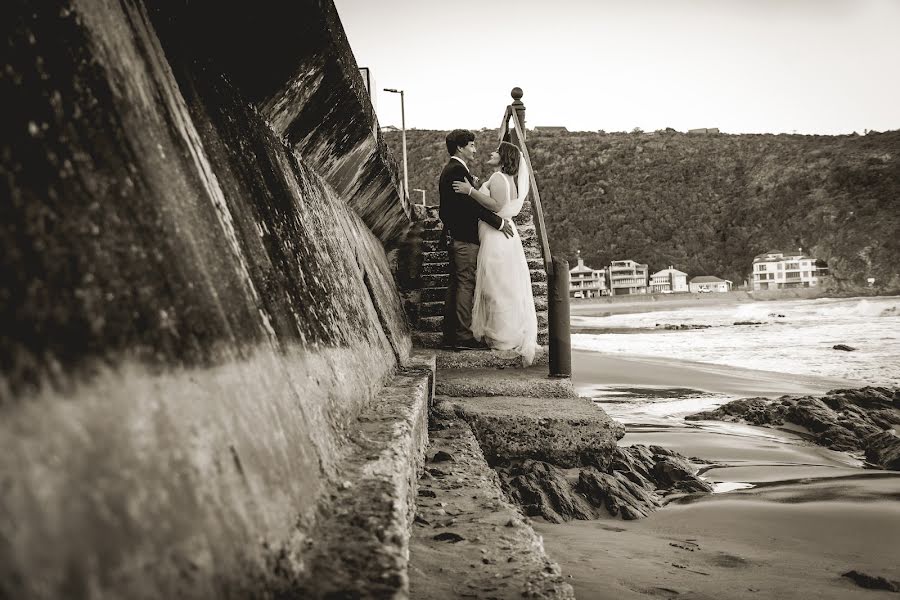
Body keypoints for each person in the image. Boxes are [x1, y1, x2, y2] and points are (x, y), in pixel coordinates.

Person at [452, 141, 539, 365]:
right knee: (501, 286)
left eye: (496, 151)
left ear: (504, 157)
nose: (491, 153)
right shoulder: (503, 178)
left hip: (496, 238)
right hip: (498, 236)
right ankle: (503, 333)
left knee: (497, 287)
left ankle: (503, 337)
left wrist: (470, 190)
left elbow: (496, 206)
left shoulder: (500, 178)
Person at [438, 129, 514, 351]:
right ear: (460, 147)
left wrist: (472, 186)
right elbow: (468, 206)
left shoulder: (454, 169)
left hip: (457, 235)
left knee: (457, 283)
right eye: (471, 145)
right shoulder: (455, 170)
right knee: (465, 284)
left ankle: (450, 335)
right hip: (464, 237)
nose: (475, 149)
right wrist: (498, 223)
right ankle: (462, 336)